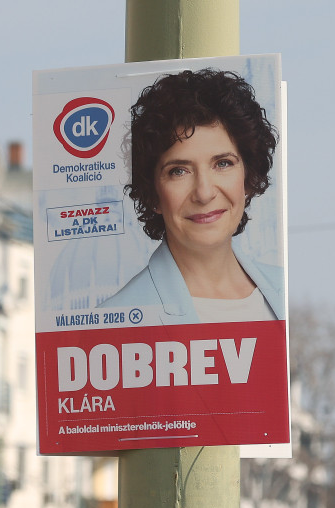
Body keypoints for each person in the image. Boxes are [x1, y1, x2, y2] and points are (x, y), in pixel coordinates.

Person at [99, 69, 284, 324]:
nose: (204, 193)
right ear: (153, 195)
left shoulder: (284, 289)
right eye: (179, 171)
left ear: (248, 177)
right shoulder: (113, 321)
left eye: (223, 164)